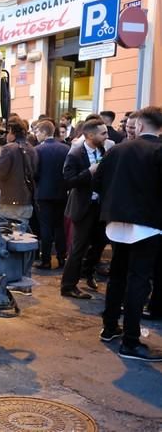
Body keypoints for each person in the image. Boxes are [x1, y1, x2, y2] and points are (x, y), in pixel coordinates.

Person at [94, 106, 162, 361]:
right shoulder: (158, 151)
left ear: (140, 126)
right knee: (138, 281)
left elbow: (97, 182)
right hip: (148, 224)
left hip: (116, 221)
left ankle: (110, 327)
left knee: (118, 276)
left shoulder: (117, 150)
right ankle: (131, 342)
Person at [60, 119, 108, 299]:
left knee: (98, 243)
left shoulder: (101, 150)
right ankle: (68, 286)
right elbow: (68, 181)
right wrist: (89, 172)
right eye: (103, 133)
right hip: (82, 207)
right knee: (78, 248)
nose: (107, 136)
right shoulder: (75, 154)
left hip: (98, 206)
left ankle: (88, 274)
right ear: (90, 135)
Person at [33, 120, 69, 269]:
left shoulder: (38, 150)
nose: (36, 135)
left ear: (43, 132)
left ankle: (46, 260)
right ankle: (61, 258)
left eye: (37, 132)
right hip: (61, 193)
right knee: (59, 226)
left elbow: (34, 172)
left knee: (46, 227)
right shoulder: (65, 148)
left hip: (43, 193)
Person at [0, 118, 38, 224]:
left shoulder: (8, 148)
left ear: (11, 131)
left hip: (7, 203)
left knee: (3, 234)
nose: (5, 136)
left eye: (6, 132)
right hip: (26, 201)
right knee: (22, 235)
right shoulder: (32, 148)